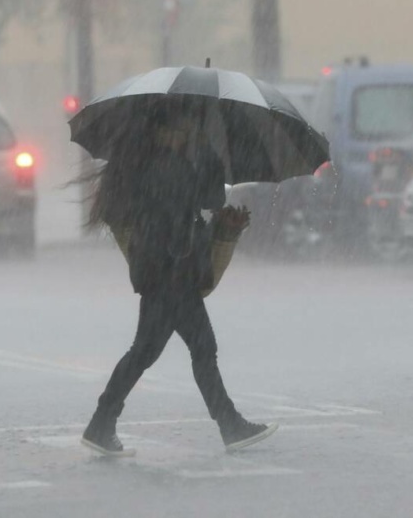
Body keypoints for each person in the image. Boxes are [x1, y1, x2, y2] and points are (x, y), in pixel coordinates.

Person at [81, 100, 278, 456]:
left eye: (187, 127)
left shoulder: (153, 165)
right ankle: (229, 425)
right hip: (172, 274)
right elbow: (209, 195)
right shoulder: (169, 167)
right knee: (198, 350)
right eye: (181, 128)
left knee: (149, 352)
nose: (184, 132)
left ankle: (102, 422)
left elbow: (198, 203)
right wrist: (203, 149)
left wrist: (199, 150)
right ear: (161, 131)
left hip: (164, 272)